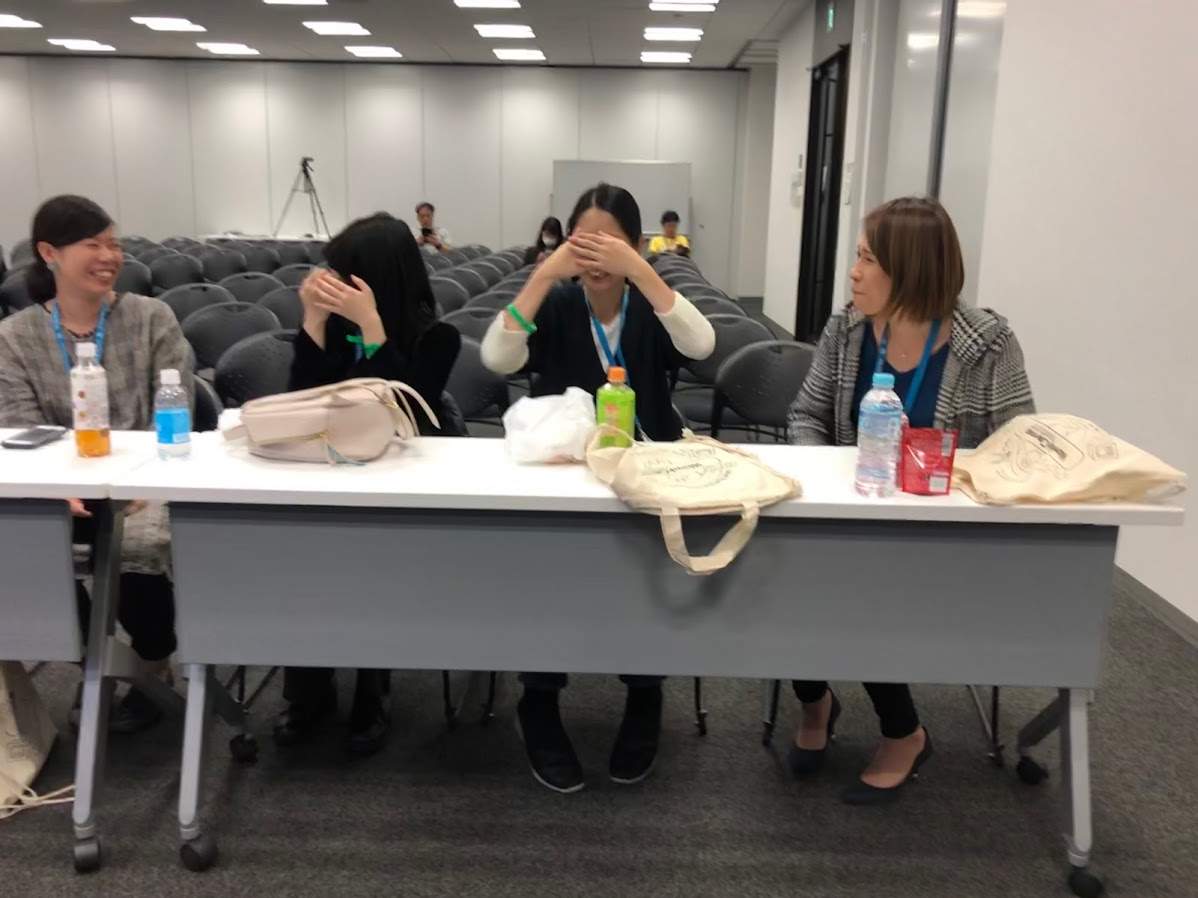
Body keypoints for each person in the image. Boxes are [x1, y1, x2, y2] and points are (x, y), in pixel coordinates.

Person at [785, 196, 1035, 805]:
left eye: (869, 260)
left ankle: (904, 733)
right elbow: (806, 414)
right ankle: (816, 702)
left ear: (913, 269)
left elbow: (1019, 448)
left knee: (859, 590)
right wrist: (825, 478)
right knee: (782, 573)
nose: (853, 273)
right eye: (858, 257)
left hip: (939, 533)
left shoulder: (987, 344)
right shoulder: (848, 328)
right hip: (852, 515)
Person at [480, 183, 716, 793]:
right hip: (563, 478)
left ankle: (644, 693)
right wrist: (544, 273)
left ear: (634, 245)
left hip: (645, 479)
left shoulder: (648, 304)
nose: (595, 256)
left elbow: (702, 345)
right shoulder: (559, 303)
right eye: (584, 242)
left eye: (610, 242)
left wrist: (643, 270)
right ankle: (538, 700)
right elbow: (497, 358)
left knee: (646, 588)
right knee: (549, 591)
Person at [0, 194, 193, 733]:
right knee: (29, 549)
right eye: (93, 244)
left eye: (114, 244)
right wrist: (53, 488)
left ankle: (151, 663)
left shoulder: (151, 317)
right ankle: (98, 665)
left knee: (135, 549)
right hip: (58, 483)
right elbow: (19, 428)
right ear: (49, 253)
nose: (109, 256)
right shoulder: (15, 337)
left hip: (144, 478)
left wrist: (139, 481)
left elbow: (172, 411)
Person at [274, 212, 462, 757]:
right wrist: (313, 321)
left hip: (402, 485)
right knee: (303, 556)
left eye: (344, 273)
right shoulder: (334, 328)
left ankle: (372, 686)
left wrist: (374, 329)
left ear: (375, 279)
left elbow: (406, 413)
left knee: (370, 558)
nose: (333, 282)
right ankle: (308, 691)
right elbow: (300, 402)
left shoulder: (437, 337)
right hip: (331, 476)